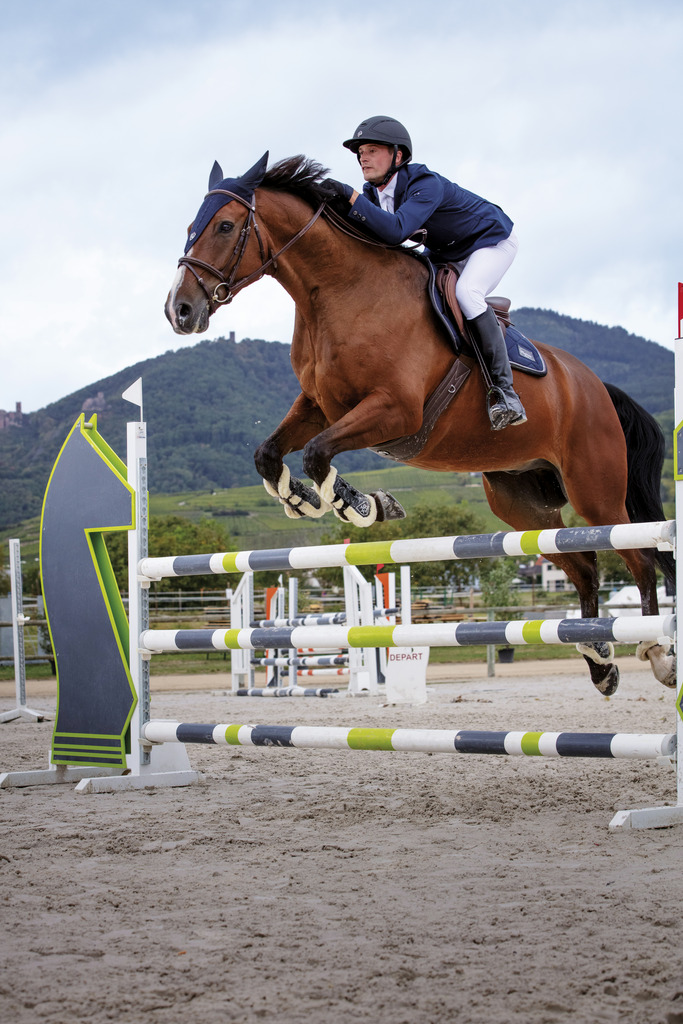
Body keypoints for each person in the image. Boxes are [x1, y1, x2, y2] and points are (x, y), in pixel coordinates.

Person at [320, 116, 526, 430]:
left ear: (397, 156)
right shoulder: (372, 194)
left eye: (372, 149)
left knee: (467, 294)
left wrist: (350, 198)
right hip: (446, 250)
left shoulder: (423, 183)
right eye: (360, 151)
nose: (363, 157)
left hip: (489, 240)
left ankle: (506, 394)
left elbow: (397, 231)